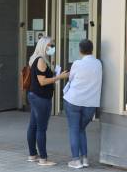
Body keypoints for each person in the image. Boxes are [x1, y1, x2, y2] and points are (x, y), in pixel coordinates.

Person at [27, 37, 69, 166]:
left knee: (33, 126)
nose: (52, 48)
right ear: (43, 46)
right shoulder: (41, 61)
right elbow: (42, 81)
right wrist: (59, 77)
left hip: (35, 95)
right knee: (41, 128)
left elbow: (43, 77)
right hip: (41, 98)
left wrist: (54, 73)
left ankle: (32, 155)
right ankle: (43, 159)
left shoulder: (37, 58)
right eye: (50, 45)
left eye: (53, 45)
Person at [63, 39, 102, 169]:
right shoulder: (98, 64)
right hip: (90, 104)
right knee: (81, 129)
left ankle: (76, 160)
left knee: (74, 129)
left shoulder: (77, 63)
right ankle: (85, 159)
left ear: (80, 50)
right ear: (92, 49)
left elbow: (71, 78)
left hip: (73, 101)